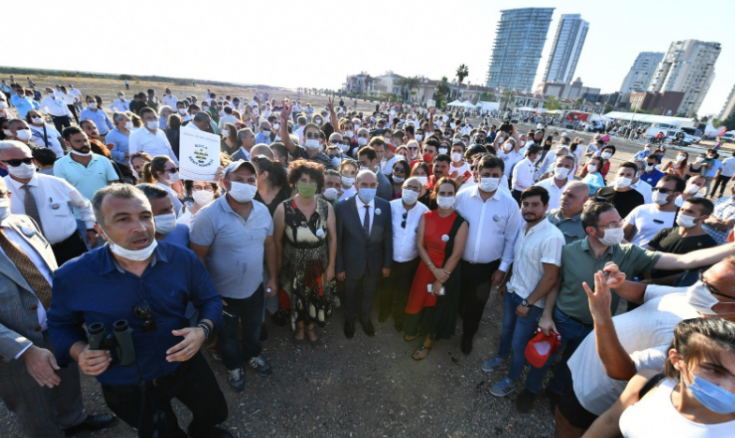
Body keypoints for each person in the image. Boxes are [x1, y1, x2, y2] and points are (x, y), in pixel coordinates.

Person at [47, 184, 231, 438]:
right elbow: (59, 325)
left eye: (145, 216)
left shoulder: (182, 259)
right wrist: (80, 352)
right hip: (126, 381)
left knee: (214, 412)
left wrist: (202, 330)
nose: (141, 227)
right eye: (123, 219)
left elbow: (210, 300)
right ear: (100, 230)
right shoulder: (73, 275)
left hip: (185, 365)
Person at [525, 201, 735, 414]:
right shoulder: (569, 251)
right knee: (544, 357)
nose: (620, 226)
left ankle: (555, 391)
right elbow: (555, 284)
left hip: (593, 329)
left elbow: (683, 261)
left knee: (569, 365)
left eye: (620, 221)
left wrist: (732, 247)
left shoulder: (630, 253)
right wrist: (547, 315)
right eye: (612, 223)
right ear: (591, 230)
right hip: (562, 320)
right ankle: (530, 390)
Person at [0, 175, 116, 438]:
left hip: (57, 326)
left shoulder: (23, 222)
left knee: (67, 381)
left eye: (2, 194)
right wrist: (25, 350)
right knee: (32, 402)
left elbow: (49, 272)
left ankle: (73, 420)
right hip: (15, 347)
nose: (2, 200)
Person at [189, 160, 277, 391]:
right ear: (225, 183)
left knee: (253, 327)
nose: (246, 184)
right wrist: (210, 294)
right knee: (227, 335)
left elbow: (269, 246)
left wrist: (273, 278)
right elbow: (197, 257)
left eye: (251, 180)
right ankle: (233, 366)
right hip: (222, 293)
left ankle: (252, 355)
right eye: (239, 180)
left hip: (255, 287)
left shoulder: (262, 211)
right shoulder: (208, 216)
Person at [584, 317, 735, 438]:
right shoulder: (647, 382)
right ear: (677, 360)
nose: (730, 388)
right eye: (715, 371)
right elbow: (609, 421)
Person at [482, 186, 565, 396]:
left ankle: (512, 379)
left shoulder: (552, 237)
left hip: (531, 303)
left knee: (519, 344)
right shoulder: (524, 227)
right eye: (525, 204)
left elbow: (551, 277)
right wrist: (505, 284)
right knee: (507, 331)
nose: (529, 209)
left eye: (535, 205)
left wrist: (527, 303)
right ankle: (501, 359)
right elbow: (518, 261)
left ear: (546, 207)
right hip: (512, 293)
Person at [455, 154, 522, 355]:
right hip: (459, 263)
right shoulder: (462, 197)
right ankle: (453, 323)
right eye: (486, 174)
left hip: (487, 267)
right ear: (477, 174)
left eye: (495, 174)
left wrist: (502, 269)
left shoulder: (509, 204)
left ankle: (468, 336)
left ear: (502, 176)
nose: (491, 177)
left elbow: (511, 239)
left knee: (476, 305)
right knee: (457, 299)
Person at [1, 140, 95, 266]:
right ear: (2, 165)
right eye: (15, 162)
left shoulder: (57, 183)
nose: (24, 165)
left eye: (28, 160)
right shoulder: (2, 191)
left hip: (70, 247)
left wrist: (90, 228)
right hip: (28, 255)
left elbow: (84, 204)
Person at [403, 177, 468, 360]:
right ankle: (416, 329)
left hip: (446, 272)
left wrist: (440, 278)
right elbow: (420, 245)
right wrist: (433, 269)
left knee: (436, 306)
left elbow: (456, 254)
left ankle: (428, 342)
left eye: (450, 194)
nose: (446, 197)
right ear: (435, 194)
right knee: (420, 299)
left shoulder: (461, 223)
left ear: (455, 196)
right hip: (426, 269)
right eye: (442, 193)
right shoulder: (427, 216)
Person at [273, 161, 336, 346]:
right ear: (294, 181)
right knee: (297, 296)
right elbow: (276, 240)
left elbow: (332, 238)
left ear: (318, 183)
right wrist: (278, 263)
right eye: (303, 180)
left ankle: (311, 327)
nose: (308, 184)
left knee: (316, 295)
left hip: (319, 261)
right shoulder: (283, 208)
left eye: (312, 181)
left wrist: (331, 265)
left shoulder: (326, 208)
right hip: (293, 261)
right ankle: (300, 327)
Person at [335, 169, 393, 339]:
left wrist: (387, 264)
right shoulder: (343, 207)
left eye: (372, 185)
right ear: (356, 185)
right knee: (350, 294)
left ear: (377, 185)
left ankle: (366, 318)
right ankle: (350, 320)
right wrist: (339, 267)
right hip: (351, 263)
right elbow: (338, 241)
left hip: (374, 263)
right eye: (364, 185)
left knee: (369, 293)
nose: (369, 188)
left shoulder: (384, 205)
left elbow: (388, 238)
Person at [381, 177, 430, 330]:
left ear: (421, 192)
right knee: (386, 287)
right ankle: (385, 309)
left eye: (415, 189)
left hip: (410, 260)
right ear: (402, 188)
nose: (411, 191)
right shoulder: (390, 206)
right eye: (408, 187)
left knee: (404, 290)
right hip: (390, 259)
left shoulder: (424, 212)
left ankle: (399, 316)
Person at [648, 198, 716, 282]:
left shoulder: (708, 245)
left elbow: (692, 274)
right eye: (682, 209)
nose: (683, 213)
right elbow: (646, 256)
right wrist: (646, 277)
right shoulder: (665, 232)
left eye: (690, 212)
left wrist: (655, 282)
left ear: (704, 217)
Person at [55, 126, 119, 201]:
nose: (84, 144)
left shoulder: (103, 160)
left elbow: (113, 183)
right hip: (80, 211)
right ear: (67, 143)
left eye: (85, 140)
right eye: (78, 141)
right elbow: (63, 191)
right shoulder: (59, 164)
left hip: (106, 208)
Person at [624, 176, 684, 248]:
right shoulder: (641, 209)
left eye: (663, 190)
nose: (657, 192)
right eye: (655, 189)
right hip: (633, 255)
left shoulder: (682, 217)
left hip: (661, 258)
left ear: (677, 194)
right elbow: (622, 235)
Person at [279, 102, 333, 169]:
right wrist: (284, 122)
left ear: (319, 140)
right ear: (304, 139)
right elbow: (286, 141)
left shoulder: (327, 161)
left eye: (316, 136)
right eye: (309, 135)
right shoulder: (299, 151)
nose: (312, 137)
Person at [137, 183, 190, 248]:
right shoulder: (132, 245)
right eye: (164, 211)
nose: (171, 213)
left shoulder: (183, 231)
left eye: (171, 208)